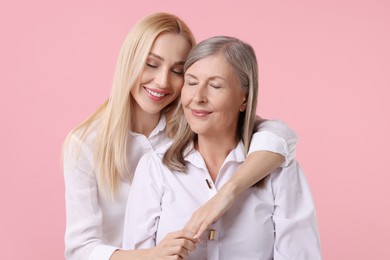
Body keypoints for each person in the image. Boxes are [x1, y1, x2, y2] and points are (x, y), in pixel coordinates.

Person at [63, 13, 298, 260]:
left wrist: (227, 193)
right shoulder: (85, 144)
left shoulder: (195, 123)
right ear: (129, 61)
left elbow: (279, 135)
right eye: (151, 64)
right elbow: (80, 249)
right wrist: (153, 255)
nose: (163, 81)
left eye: (178, 71)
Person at [122, 36, 321, 259]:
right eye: (191, 82)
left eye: (215, 86)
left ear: (243, 98)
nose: (198, 97)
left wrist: (226, 194)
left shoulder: (279, 171)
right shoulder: (155, 168)